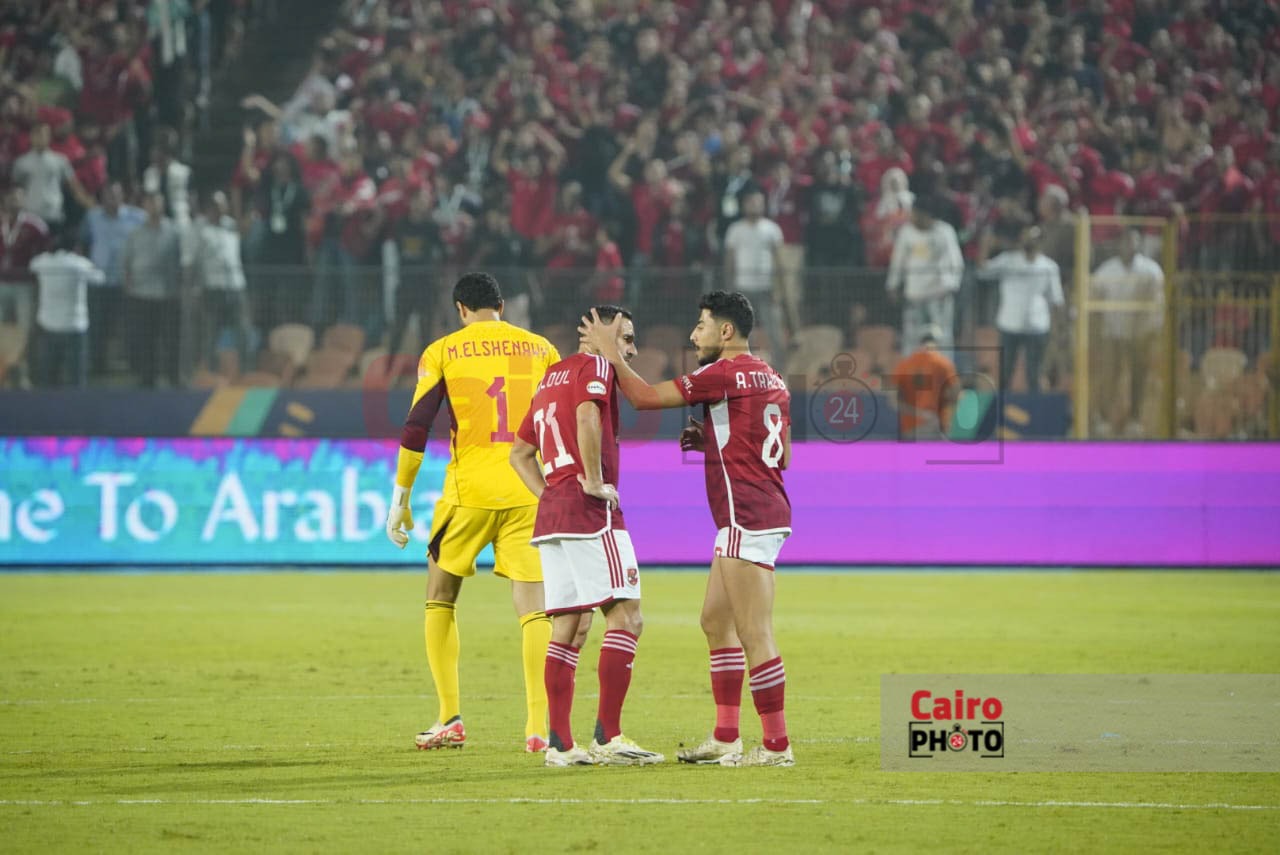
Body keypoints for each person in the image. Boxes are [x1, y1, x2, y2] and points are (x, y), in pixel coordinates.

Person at [580, 291, 795, 767]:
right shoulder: (773, 376)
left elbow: (643, 398)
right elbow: (782, 454)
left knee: (754, 631)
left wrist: (610, 350)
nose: (694, 335)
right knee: (715, 622)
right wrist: (715, 441)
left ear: (725, 331)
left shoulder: (722, 372)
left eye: (701, 325)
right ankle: (725, 737)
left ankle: (777, 746)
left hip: (746, 515)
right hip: (760, 510)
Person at [385, 272, 561, 753]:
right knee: (535, 609)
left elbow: (417, 425)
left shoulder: (442, 350)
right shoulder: (542, 349)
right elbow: (561, 420)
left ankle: (449, 717)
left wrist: (401, 497)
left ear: (460, 309)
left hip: (469, 492)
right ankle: (538, 726)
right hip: (530, 490)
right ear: (502, 305)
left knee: (440, 595)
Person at [509, 305, 664, 767]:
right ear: (599, 333)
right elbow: (586, 416)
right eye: (626, 338)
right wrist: (593, 481)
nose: (631, 350)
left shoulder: (550, 376)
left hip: (555, 515)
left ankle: (560, 745)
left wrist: (551, 494)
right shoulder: (596, 366)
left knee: (570, 627)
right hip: (590, 512)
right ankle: (609, 738)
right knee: (627, 617)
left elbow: (519, 454)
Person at [1089, 229, 1165, 436]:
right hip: (1112, 332)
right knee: (1110, 376)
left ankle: (1135, 419)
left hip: (1140, 334)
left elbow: (1158, 304)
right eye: (1126, 241)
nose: (1129, 246)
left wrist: (1153, 331)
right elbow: (1094, 298)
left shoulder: (1151, 270)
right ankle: (1105, 419)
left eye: (1134, 241)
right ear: (1119, 244)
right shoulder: (1107, 270)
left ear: (1139, 244)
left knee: (1138, 377)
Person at [980, 225, 1064, 395]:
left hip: (1037, 326)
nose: (1029, 242)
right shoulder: (1008, 260)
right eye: (1026, 238)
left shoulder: (1049, 267)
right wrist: (985, 246)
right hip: (1009, 324)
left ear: (1041, 242)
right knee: (1005, 372)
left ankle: (1035, 409)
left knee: (1034, 374)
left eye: (1033, 239)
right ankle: (1003, 406)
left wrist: (1058, 331)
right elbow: (983, 271)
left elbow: (1056, 300)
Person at [80, 182, 145, 376]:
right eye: (108, 195)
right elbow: (83, 243)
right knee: (98, 326)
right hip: (99, 282)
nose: (112, 199)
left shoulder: (137, 217)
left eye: (116, 195)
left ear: (122, 196)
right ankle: (97, 366)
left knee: (129, 326)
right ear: (102, 198)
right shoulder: (92, 217)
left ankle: (133, 366)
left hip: (127, 282)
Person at [121, 191, 182, 388]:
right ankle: (147, 378)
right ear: (145, 206)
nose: (154, 206)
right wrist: (129, 289)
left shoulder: (174, 232)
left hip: (167, 294)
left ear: (163, 205)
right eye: (150, 202)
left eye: (157, 202)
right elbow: (126, 263)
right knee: (146, 340)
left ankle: (173, 377)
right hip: (142, 294)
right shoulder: (135, 234)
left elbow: (181, 262)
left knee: (170, 340)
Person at [886, 197, 963, 350]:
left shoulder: (944, 232)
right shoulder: (906, 232)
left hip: (938, 295)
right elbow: (898, 261)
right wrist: (893, 284)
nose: (911, 218)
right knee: (911, 338)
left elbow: (955, 262)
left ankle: (943, 365)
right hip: (914, 295)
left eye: (915, 214)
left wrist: (952, 285)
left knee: (942, 337)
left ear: (926, 215)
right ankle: (911, 365)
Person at [30, 231, 105, 387]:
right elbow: (100, 278)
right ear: (76, 247)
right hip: (74, 326)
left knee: (48, 375)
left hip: (48, 325)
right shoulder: (79, 264)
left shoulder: (42, 262)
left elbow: (32, 265)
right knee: (75, 375)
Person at [723, 189, 786, 360]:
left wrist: (778, 289)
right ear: (744, 205)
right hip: (743, 288)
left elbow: (779, 261)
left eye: (759, 203)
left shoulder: (772, 229)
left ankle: (780, 366)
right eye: (751, 202)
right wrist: (730, 290)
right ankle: (745, 366)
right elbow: (730, 261)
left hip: (766, 288)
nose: (755, 206)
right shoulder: (735, 230)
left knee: (774, 330)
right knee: (744, 333)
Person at [891, 325, 958, 439]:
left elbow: (893, 401)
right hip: (938, 426)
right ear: (937, 343)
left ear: (919, 341)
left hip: (911, 427)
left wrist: (920, 414)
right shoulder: (944, 364)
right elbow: (955, 394)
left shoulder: (904, 365)